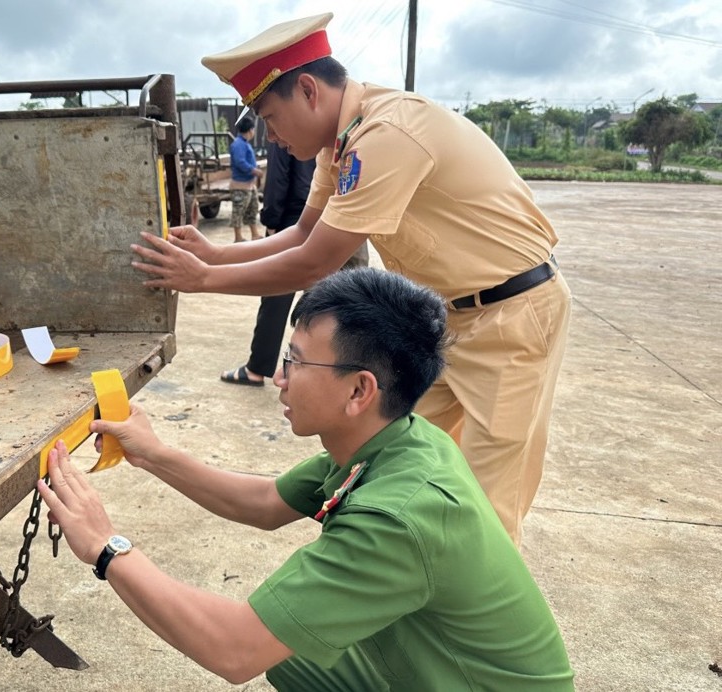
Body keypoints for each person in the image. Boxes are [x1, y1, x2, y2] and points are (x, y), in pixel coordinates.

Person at [129, 13, 572, 546]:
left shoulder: (388, 132)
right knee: (403, 457)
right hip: (449, 321)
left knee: (484, 504)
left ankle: (474, 618)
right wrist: (216, 257)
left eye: (271, 117)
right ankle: (414, 580)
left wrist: (202, 280)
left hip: (511, 318)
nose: (271, 135)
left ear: (309, 91)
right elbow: (302, 234)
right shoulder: (338, 146)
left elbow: (316, 262)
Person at [38, 267, 574, 690]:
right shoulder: (396, 439)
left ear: (359, 390)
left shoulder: (398, 515)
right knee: (299, 661)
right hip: (441, 669)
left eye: (294, 363)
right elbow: (267, 502)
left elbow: (234, 650)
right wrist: (152, 454)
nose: (278, 378)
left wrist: (106, 547)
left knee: (268, 641)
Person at [220, 141, 368, 387]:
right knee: (337, 302)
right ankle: (336, 373)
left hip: (298, 215)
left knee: (277, 294)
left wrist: (271, 219)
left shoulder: (286, 131)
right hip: (339, 218)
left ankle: (259, 367)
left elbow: (278, 179)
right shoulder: (342, 136)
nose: (272, 133)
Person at [229, 116, 264, 242]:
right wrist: (254, 170)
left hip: (249, 184)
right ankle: (238, 237)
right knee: (238, 211)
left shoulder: (244, 144)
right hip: (240, 185)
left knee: (252, 209)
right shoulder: (238, 144)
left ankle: (254, 234)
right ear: (250, 130)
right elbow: (240, 162)